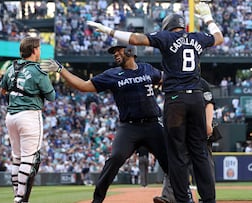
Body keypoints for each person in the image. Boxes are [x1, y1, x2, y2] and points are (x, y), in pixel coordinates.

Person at [87, 2, 223, 202]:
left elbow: (134, 39)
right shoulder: (196, 37)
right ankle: (209, 200)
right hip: (196, 98)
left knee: (176, 153)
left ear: (167, 27)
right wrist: (208, 18)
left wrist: (109, 31)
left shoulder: (166, 37)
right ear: (183, 26)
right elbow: (219, 39)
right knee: (200, 151)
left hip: (176, 100)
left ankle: (183, 200)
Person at [40, 43, 169, 203]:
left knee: (171, 162)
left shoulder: (147, 69)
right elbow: (84, 86)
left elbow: (167, 78)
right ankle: (97, 200)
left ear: (131, 51)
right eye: (113, 52)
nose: (115, 54)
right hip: (129, 127)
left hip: (153, 125)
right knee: (114, 158)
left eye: (118, 50)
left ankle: (182, 197)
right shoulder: (112, 74)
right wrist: (61, 70)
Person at [0, 36, 56, 203]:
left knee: (16, 158)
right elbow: (52, 96)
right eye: (38, 48)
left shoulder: (11, 67)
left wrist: (18, 93)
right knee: (28, 158)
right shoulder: (37, 70)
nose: (40, 51)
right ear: (34, 50)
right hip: (29, 115)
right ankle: (19, 198)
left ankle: (17, 194)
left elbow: (3, 91)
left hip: (11, 117)